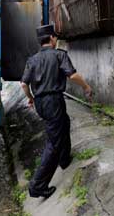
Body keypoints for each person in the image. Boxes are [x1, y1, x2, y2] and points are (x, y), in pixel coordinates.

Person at [20, 24, 92, 199]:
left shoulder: (32, 59)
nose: (56, 39)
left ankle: (64, 159)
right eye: (55, 37)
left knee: (63, 123)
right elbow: (72, 75)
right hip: (53, 101)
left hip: (40, 102)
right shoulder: (60, 55)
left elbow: (23, 84)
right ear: (52, 38)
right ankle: (37, 186)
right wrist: (86, 87)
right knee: (54, 142)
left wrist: (31, 98)